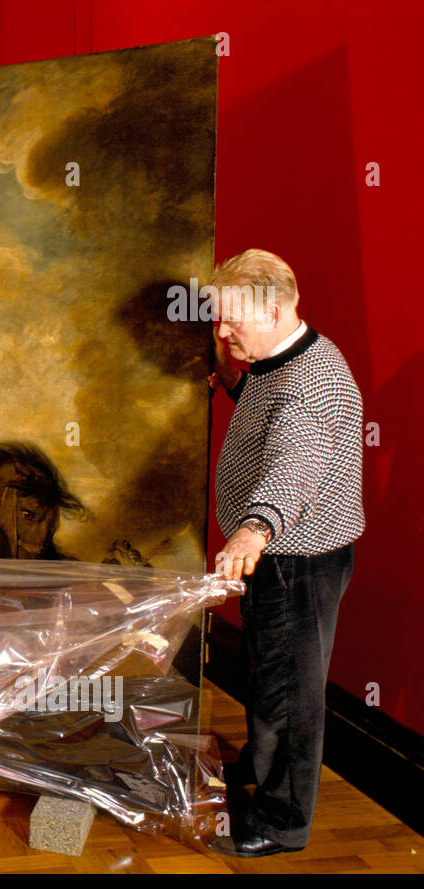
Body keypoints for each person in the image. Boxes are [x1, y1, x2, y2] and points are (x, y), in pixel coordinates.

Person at [209, 250, 364, 857]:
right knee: (269, 674)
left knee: (294, 696)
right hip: (278, 559)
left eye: (230, 322)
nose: (221, 332)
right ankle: (257, 770)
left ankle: (282, 822)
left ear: (272, 311)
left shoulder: (312, 382)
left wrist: (254, 530)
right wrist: (230, 379)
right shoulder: (276, 359)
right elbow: (271, 414)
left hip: (294, 561)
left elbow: (292, 463)